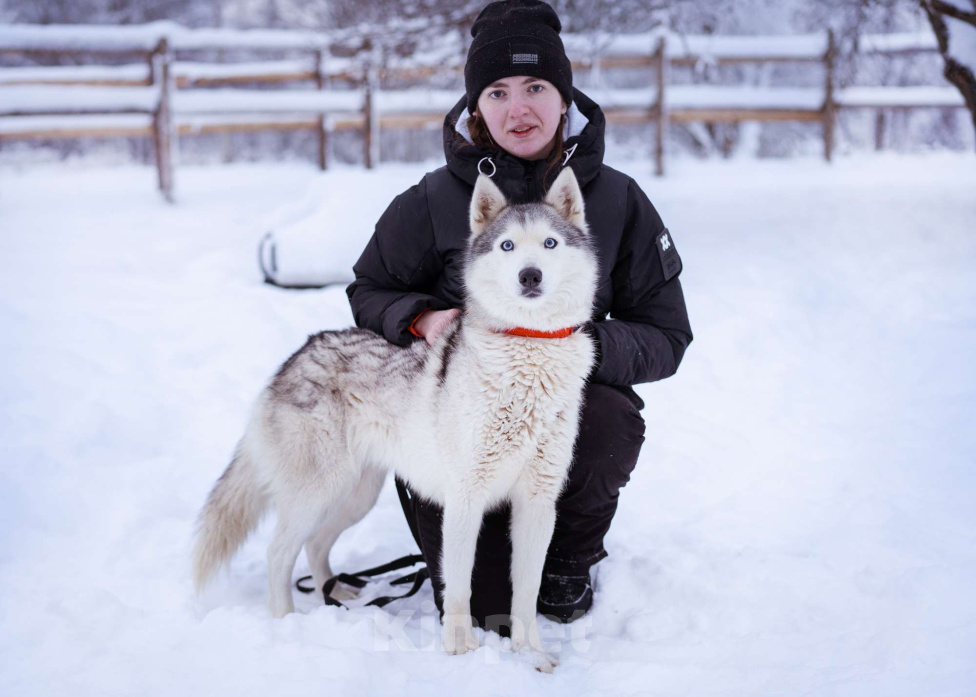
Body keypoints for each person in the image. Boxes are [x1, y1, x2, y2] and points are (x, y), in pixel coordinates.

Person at [346, 0, 692, 633]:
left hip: (561, 412)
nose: (518, 109)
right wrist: (420, 318)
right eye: (498, 92)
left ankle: (567, 562)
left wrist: (574, 345)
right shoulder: (433, 200)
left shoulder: (615, 199)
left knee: (609, 414)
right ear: (476, 107)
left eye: (536, 87)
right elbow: (368, 289)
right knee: (485, 611)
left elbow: (666, 333)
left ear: (565, 97)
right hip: (457, 423)